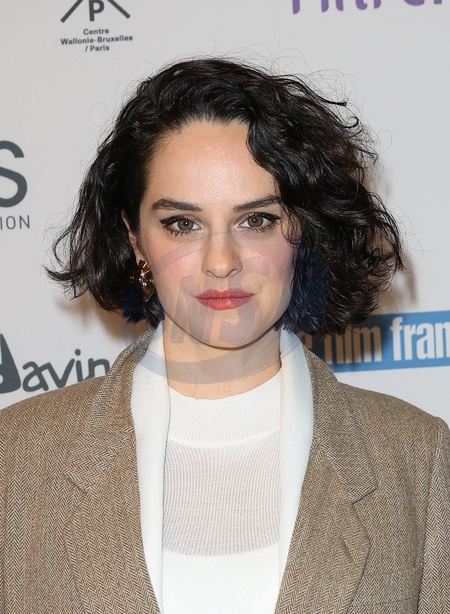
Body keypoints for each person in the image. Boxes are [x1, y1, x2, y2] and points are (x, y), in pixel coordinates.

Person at [0, 58, 448, 614]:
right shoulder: (16, 459)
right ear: (135, 239)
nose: (221, 262)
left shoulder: (415, 457)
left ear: (303, 229)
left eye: (256, 220)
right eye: (182, 224)